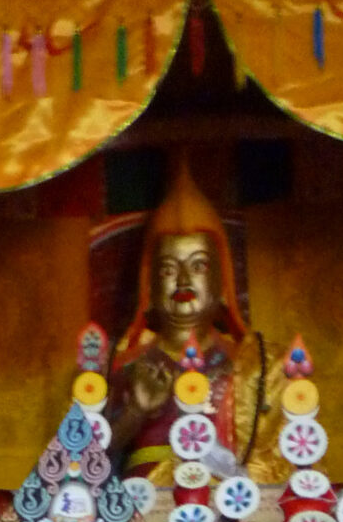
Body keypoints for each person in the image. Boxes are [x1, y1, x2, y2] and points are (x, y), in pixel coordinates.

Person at [106, 157, 282, 487]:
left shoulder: (257, 365)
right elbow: (81, 466)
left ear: (222, 282)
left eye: (199, 266)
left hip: (231, 509)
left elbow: (282, 463)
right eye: (169, 269)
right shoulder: (124, 364)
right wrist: (136, 412)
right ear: (150, 287)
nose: (183, 282)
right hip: (141, 510)